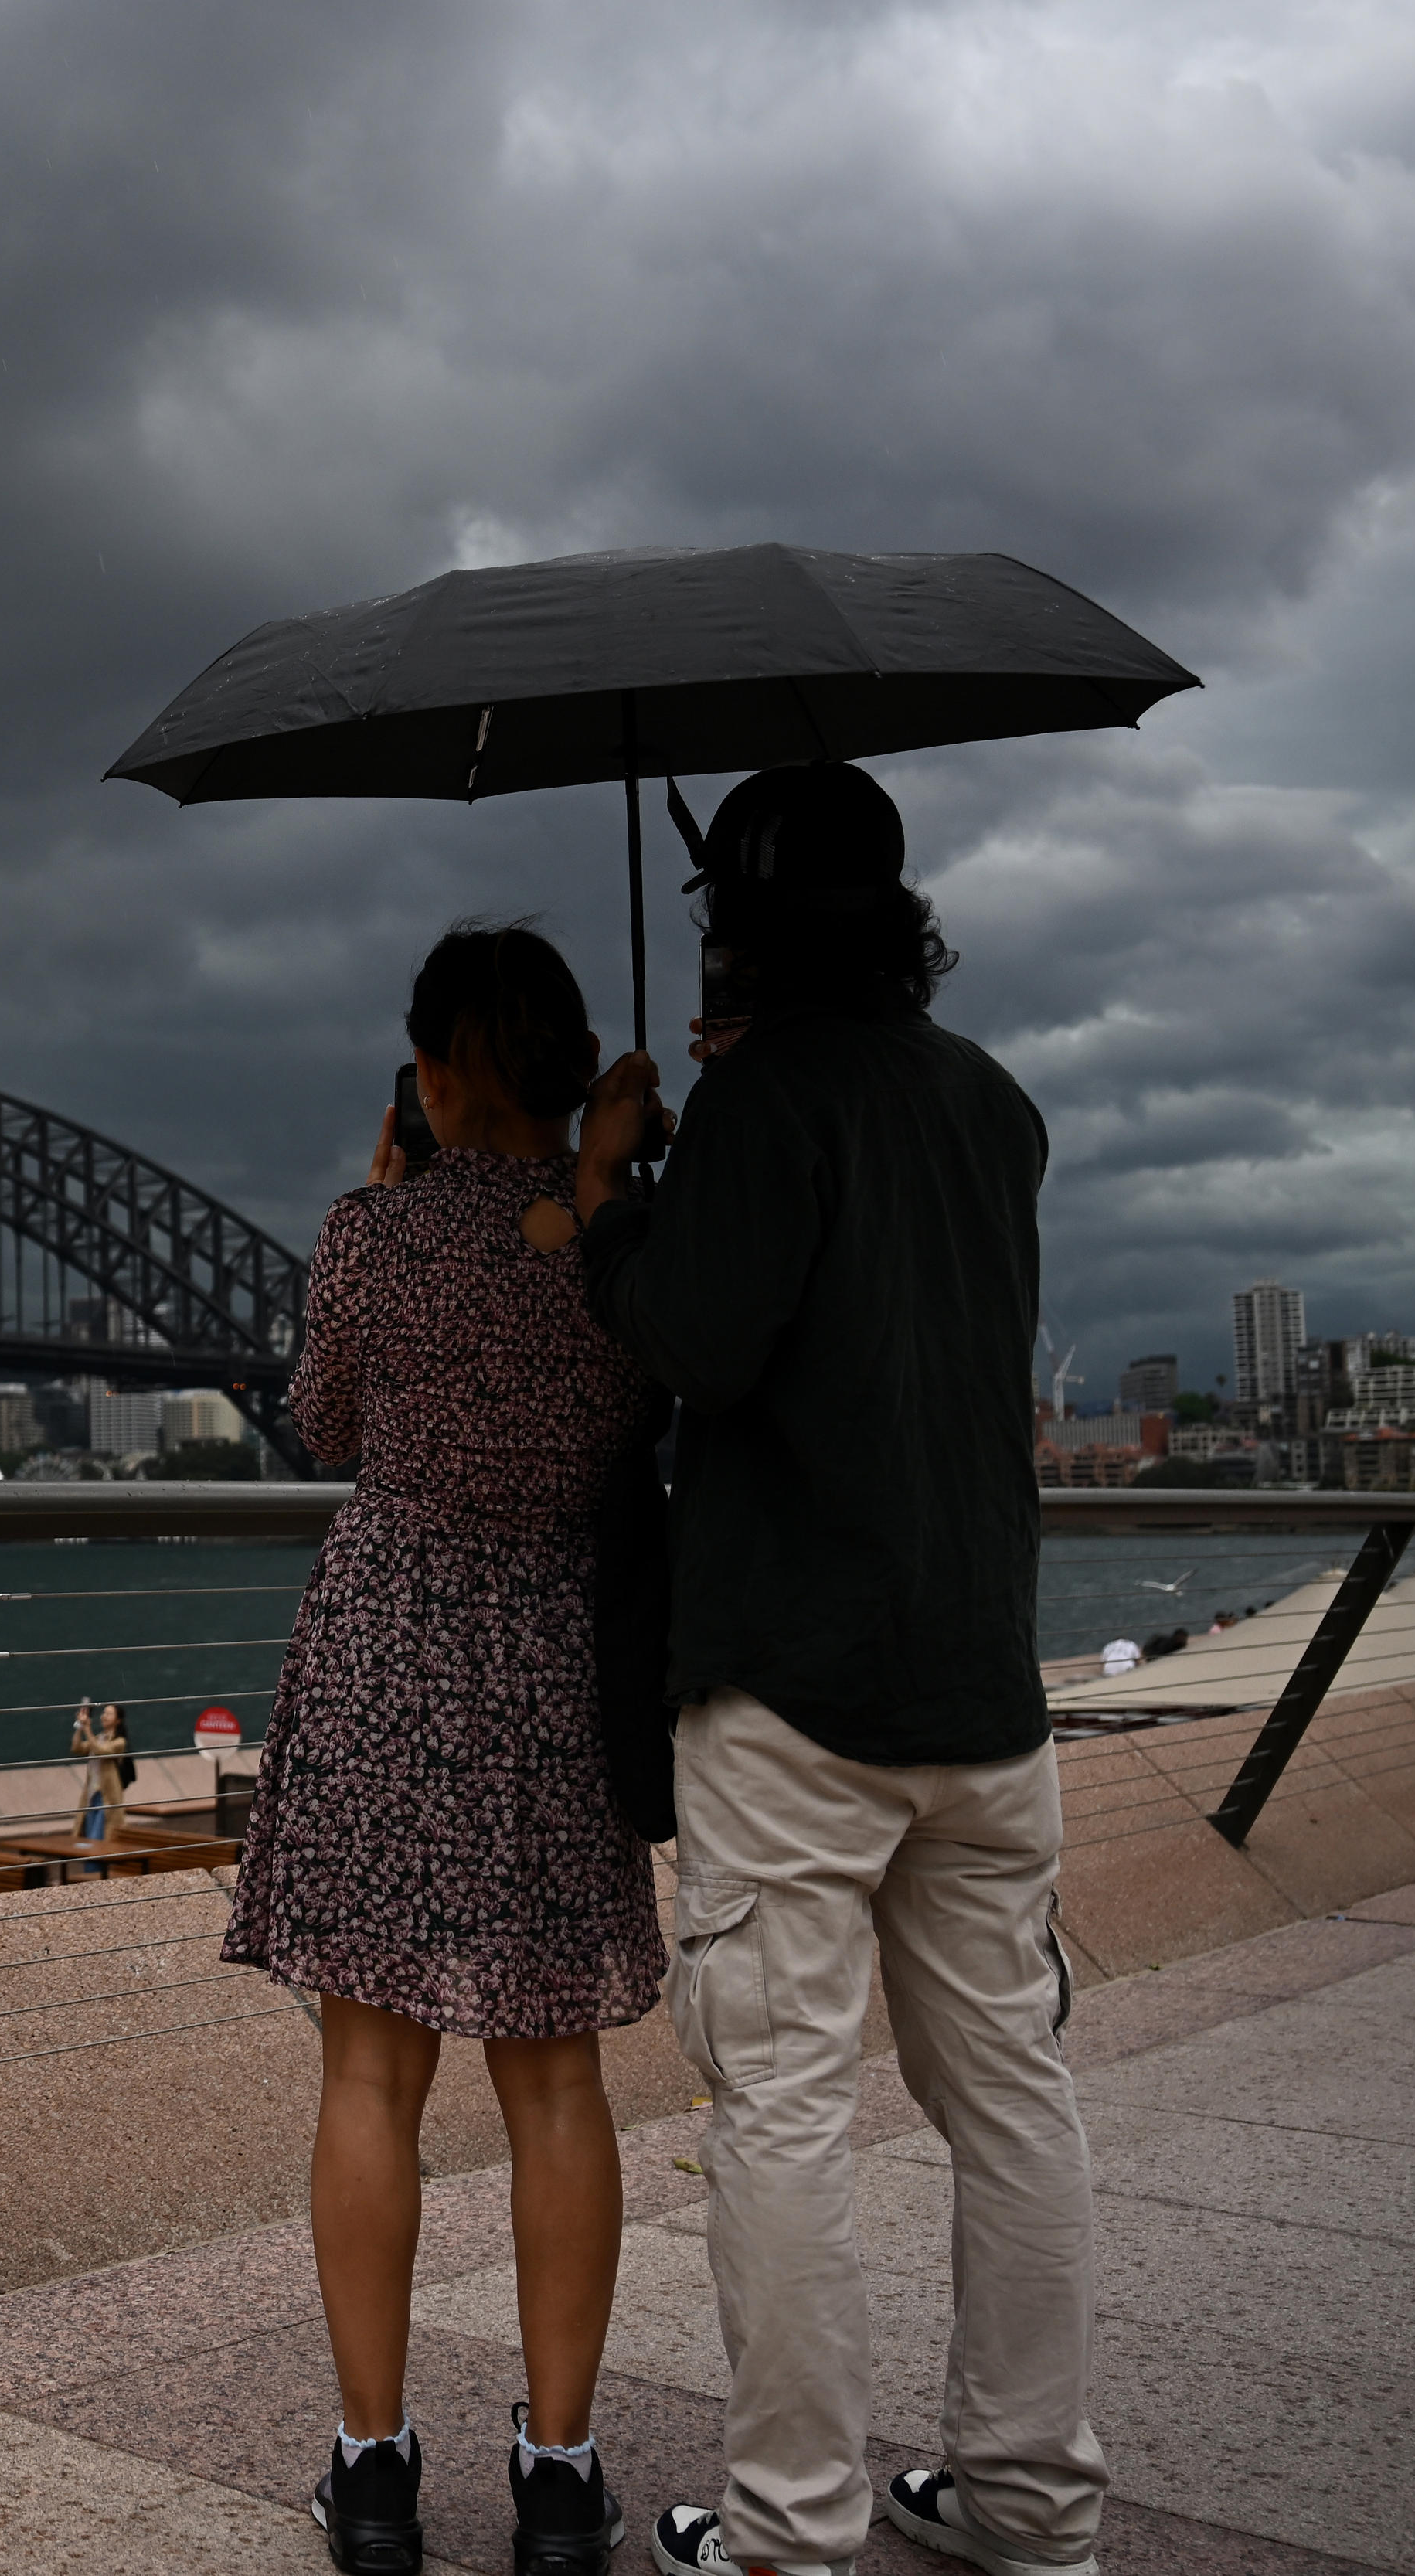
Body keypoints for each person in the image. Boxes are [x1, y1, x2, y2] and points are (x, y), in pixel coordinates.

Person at [573, 761, 1100, 2576]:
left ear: (728, 929)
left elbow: (697, 1342)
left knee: (783, 2114)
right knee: (1012, 2096)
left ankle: (792, 2531)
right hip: (981, 1680)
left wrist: (614, 1197)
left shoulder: (762, 1106)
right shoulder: (992, 1103)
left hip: (791, 1689)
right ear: (903, 922)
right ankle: (1032, 2501)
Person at [223, 920, 665, 2576]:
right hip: (559, 1651)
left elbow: (325, 1424)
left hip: (391, 1642)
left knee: (369, 2072)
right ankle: (559, 2477)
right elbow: (644, 1410)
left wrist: (387, 1202)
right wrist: (605, 1178)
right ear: (568, 1072)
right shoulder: (623, 1242)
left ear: (428, 1071)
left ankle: (377, 2470)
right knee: (555, 2079)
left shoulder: (370, 1234)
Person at [70, 1698, 132, 1841]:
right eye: (104, 1713)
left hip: (107, 1797)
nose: (104, 1716)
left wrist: (87, 1728)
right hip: (92, 1795)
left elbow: (100, 1750)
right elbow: (77, 1748)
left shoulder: (119, 1742)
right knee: (90, 1839)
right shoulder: (98, 1738)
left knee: (101, 1838)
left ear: (118, 1720)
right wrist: (80, 1727)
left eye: (109, 1714)